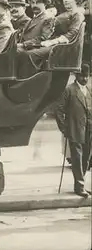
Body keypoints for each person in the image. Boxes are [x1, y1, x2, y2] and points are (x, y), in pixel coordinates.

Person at [18, 0, 89, 77]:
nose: (66, 0)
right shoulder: (65, 14)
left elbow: (73, 33)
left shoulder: (77, 14)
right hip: (54, 45)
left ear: (76, 0)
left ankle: (29, 80)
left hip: (62, 47)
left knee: (29, 54)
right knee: (27, 52)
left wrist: (52, 42)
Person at [55, 64, 91, 197]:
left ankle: (81, 184)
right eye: (82, 76)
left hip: (89, 130)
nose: (85, 79)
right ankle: (80, 186)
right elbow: (58, 110)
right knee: (77, 157)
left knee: (86, 158)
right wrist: (65, 129)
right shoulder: (69, 90)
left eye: (87, 76)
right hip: (75, 129)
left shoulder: (89, 90)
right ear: (77, 75)